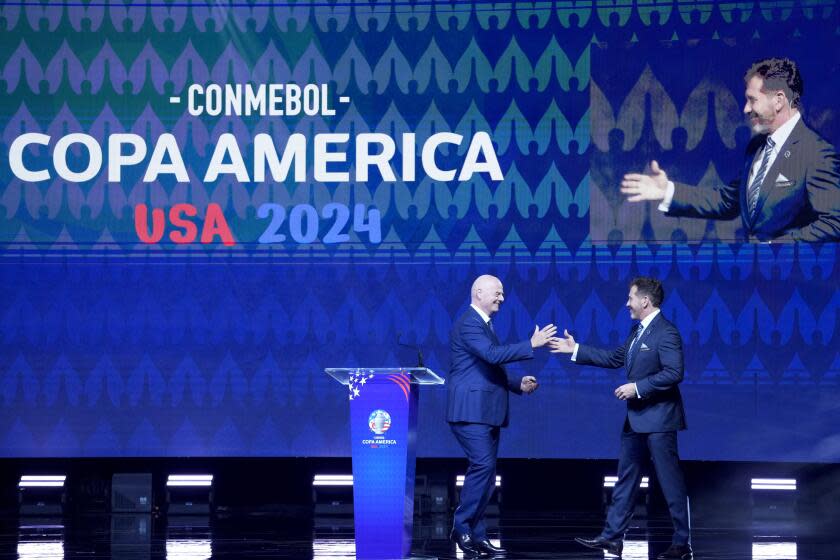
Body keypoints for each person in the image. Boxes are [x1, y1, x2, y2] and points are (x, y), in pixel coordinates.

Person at [621, 57, 840, 242]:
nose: (745, 109)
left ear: (779, 100)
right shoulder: (756, 147)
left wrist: (776, 248)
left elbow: (835, 222)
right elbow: (728, 201)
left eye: (751, 100)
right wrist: (666, 191)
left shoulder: (816, 153)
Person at [550, 277, 692, 560]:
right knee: (626, 479)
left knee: (670, 483)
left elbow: (674, 373)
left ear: (645, 301)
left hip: (660, 420)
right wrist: (575, 350)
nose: (627, 303)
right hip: (637, 419)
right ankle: (612, 538)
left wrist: (637, 388)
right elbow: (616, 358)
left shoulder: (666, 333)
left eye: (631, 298)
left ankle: (682, 543)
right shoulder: (637, 331)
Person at [447, 274, 556, 558]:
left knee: (487, 473)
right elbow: (493, 355)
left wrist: (517, 384)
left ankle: (478, 535)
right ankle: (461, 527)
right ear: (479, 292)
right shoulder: (469, 322)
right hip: (470, 411)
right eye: (498, 292)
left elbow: (488, 366)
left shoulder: (484, 324)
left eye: (503, 293)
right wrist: (531, 344)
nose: (502, 298)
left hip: (486, 411)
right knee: (482, 466)